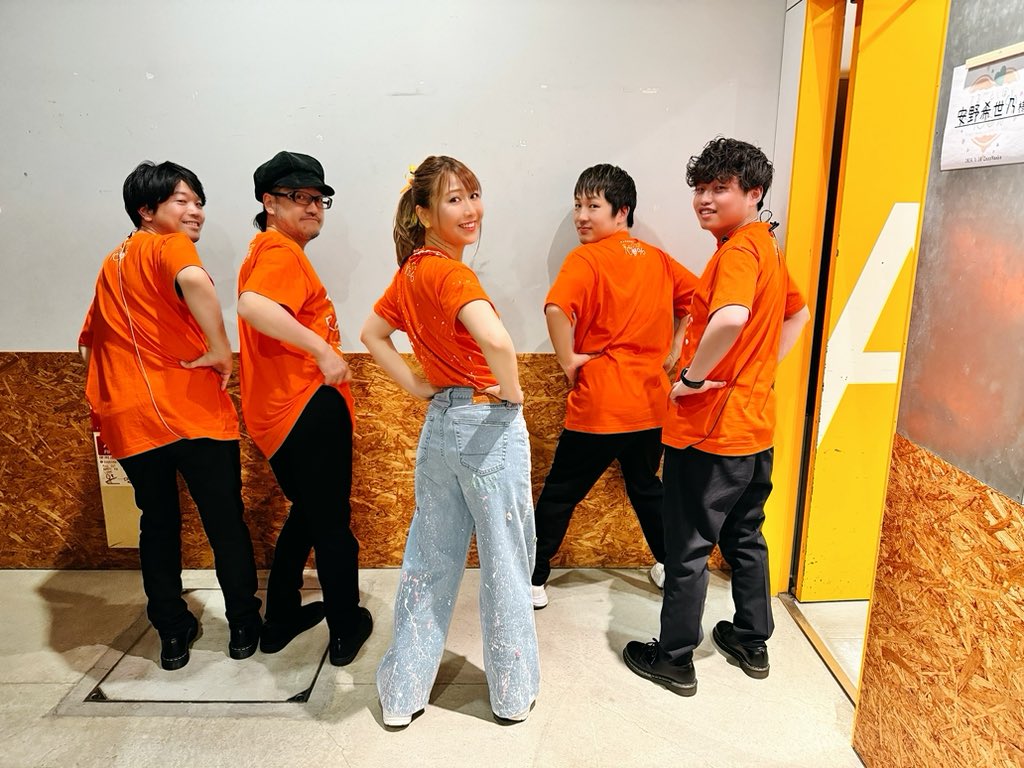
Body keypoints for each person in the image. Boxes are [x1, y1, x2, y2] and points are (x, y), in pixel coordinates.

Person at [622, 138, 810, 695]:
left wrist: (692, 378)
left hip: (710, 431)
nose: (705, 199)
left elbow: (729, 318)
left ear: (754, 193)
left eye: (720, 188)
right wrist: (758, 368)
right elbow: (797, 315)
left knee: (688, 548)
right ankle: (751, 639)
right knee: (746, 534)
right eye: (700, 189)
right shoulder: (765, 246)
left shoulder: (738, 253)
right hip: (753, 426)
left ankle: (674, 658)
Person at [361, 156, 539, 728]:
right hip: (486, 423)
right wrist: (513, 395)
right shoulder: (452, 274)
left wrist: (418, 385)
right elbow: (498, 342)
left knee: (429, 559)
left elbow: (371, 334)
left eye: (472, 195)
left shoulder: (410, 272)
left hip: (440, 425)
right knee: (506, 561)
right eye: (454, 199)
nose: (469, 209)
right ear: (423, 212)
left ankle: (402, 693)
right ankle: (511, 694)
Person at [79, 161, 262, 671]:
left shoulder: (111, 264)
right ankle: (243, 625)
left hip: (131, 418)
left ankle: (173, 632)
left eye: (198, 201)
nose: (195, 211)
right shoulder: (169, 246)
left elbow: (88, 345)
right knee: (223, 520)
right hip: (191, 409)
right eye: (181, 200)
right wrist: (220, 348)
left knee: (156, 523)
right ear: (146, 210)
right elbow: (196, 281)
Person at [530, 164, 697, 609]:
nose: (581, 216)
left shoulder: (585, 259)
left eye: (593, 206)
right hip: (649, 404)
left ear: (622, 211)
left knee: (562, 492)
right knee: (646, 487)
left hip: (600, 404)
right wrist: (675, 348)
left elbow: (555, 309)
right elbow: (700, 303)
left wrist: (567, 360)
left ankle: (533, 577)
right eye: (577, 205)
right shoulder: (658, 260)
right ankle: (670, 566)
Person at [236, 151, 371, 665]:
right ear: (269, 202)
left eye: (319, 198)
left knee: (308, 515)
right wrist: (323, 352)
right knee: (332, 525)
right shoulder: (280, 251)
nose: (313, 206)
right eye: (299, 197)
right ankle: (345, 627)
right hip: (306, 406)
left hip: (278, 415)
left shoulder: (264, 250)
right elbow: (253, 305)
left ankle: (281, 617)